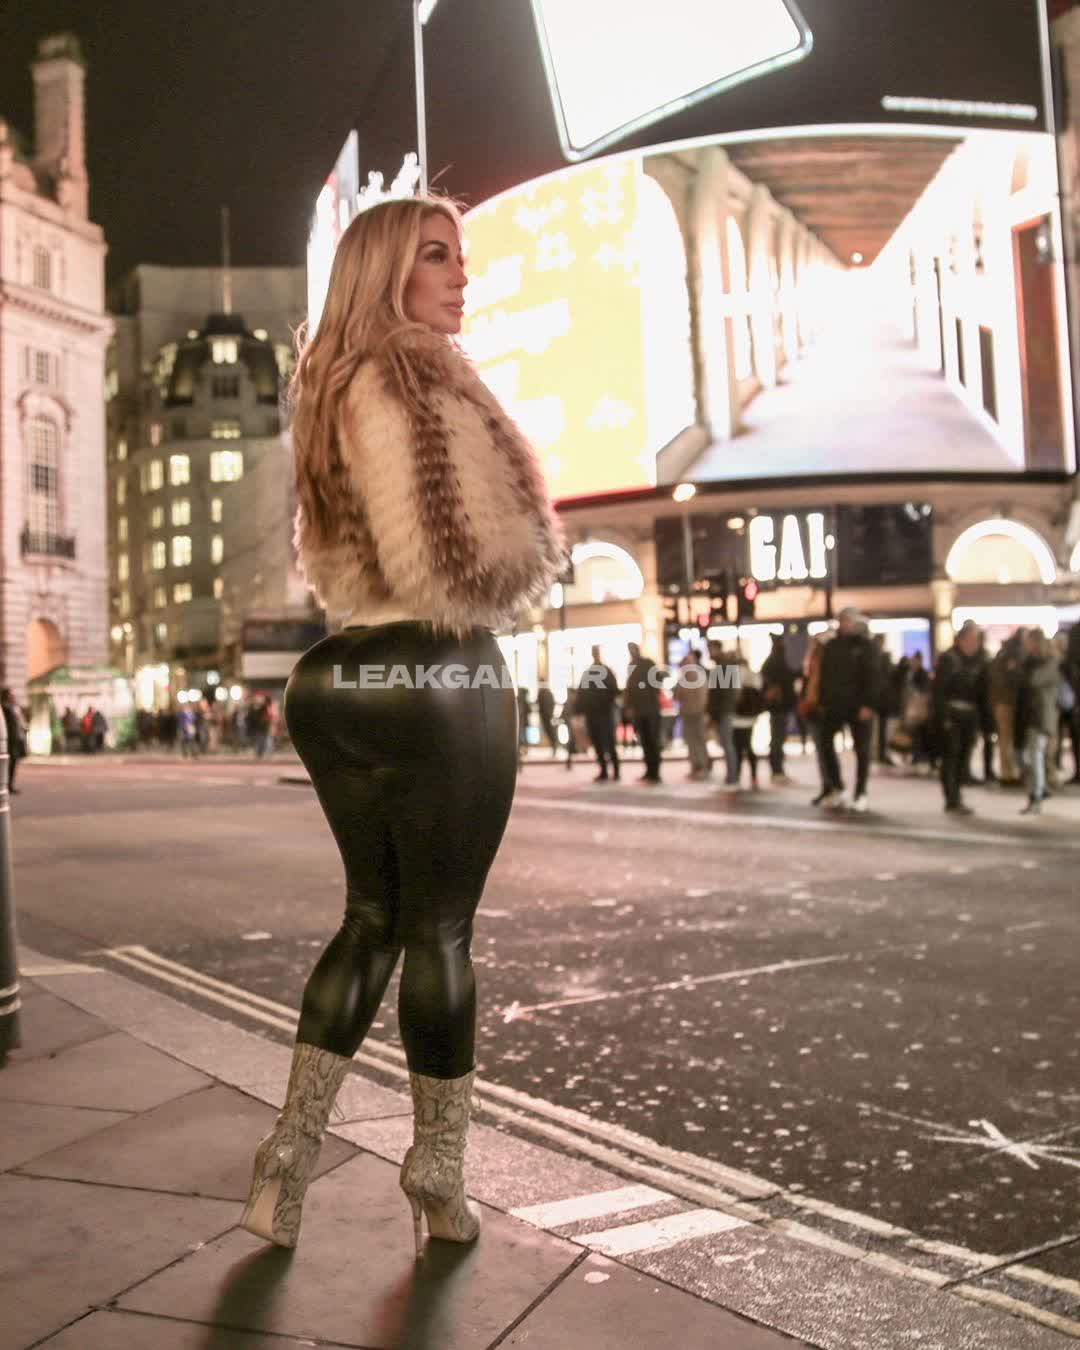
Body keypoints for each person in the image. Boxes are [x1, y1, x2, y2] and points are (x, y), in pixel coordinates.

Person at [239, 195, 563, 1256]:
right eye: (438, 257)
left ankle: (289, 1152)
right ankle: (438, 1169)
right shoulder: (418, 376)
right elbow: (461, 556)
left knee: (369, 919)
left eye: (461, 257)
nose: (461, 276)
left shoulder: (329, 382)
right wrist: (526, 548)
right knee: (441, 930)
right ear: (389, 275)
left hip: (336, 676)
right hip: (440, 670)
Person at [817, 608, 879, 812]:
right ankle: (836, 787)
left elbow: (873, 676)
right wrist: (824, 701)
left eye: (848, 621)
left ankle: (860, 793)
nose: (844, 624)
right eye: (842, 620)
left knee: (862, 750)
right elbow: (825, 675)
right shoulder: (832, 645)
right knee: (826, 744)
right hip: (835, 705)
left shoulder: (865, 646)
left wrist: (868, 704)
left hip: (858, 706)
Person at [932, 620, 986, 816]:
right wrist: (944, 717)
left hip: (970, 715)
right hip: (952, 715)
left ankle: (957, 796)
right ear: (962, 639)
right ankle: (952, 799)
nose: (974, 644)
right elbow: (939, 692)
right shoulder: (949, 659)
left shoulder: (978, 660)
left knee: (964, 756)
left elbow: (981, 691)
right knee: (951, 757)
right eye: (971, 639)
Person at [1018, 628, 1059, 815]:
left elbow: (1034, 681)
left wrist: (1020, 669)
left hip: (1041, 717)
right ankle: (1040, 789)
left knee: (1034, 756)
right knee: (1024, 756)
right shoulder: (1028, 662)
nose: (1026, 645)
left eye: (1029, 641)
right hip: (1026, 716)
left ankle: (1037, 795)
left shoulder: (1049, 661)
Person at [624, 642, 667, 784]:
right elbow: (630, 689)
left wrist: (652, 693)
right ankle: (649, 770)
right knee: (645, 742)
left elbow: (658, 680)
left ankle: (655, 772)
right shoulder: (632, 666)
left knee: (653, 741)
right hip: (639, 711)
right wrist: (629, 706)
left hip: (651, 710)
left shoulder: (647, 663)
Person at [576, 646, 620, 781]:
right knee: (600, 743)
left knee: (608, 743)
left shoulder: (601, 671)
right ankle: (606, 771)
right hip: (596, 713)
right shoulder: (591, 672)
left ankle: (613, 771)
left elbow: (613, 691)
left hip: (603, 713)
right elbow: (582, 694)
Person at [761, 634, 796, 784]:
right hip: (778, 707)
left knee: (778, 738)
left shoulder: (772, 662)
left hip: (779, 707)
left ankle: (777, 769)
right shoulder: (776, 662)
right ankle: (777, 770)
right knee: (777, 738)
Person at [706, 640, 738, 791]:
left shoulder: (723, 666)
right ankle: (731, 777)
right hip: (724, 711)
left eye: (710, 649)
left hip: (723, 712)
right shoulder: (724, 665)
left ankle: (732, 778)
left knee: (727, 745)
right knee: (726, 744)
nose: (709, 653)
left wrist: (715, 715)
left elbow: (722, 694)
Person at [676, 648, 711, 780]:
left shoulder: (696, 676)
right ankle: (697, 766)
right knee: (693, 741)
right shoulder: (686, 677)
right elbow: (678, 695)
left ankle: (701, 766)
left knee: (697, 740)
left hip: (696, 713)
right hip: (690, 713)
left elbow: (702, 696)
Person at [731, 654, 764, 789]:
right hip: (750, 717)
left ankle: (737, 775)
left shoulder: (733, 675)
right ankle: (753, 776)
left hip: (736, 717)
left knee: (737, 748)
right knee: (748, 746)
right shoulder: (754, 676)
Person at [1, 689, 27, 794]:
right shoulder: (5, 707)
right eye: (10, 695)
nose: (13, 697)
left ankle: (9, 785)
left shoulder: (13, 707)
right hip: (10, 740)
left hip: (16, 738)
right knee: (9, 763)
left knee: (13, 763)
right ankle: (7, 785)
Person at [535, 683, 558, 757]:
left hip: (546, 716)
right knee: (550, 731)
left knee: (549, 731)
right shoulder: (549, 693)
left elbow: (539, 703)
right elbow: (553, 703)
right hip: (548, 715)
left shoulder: (541, 693)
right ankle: (554, 746)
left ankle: (554, 746)